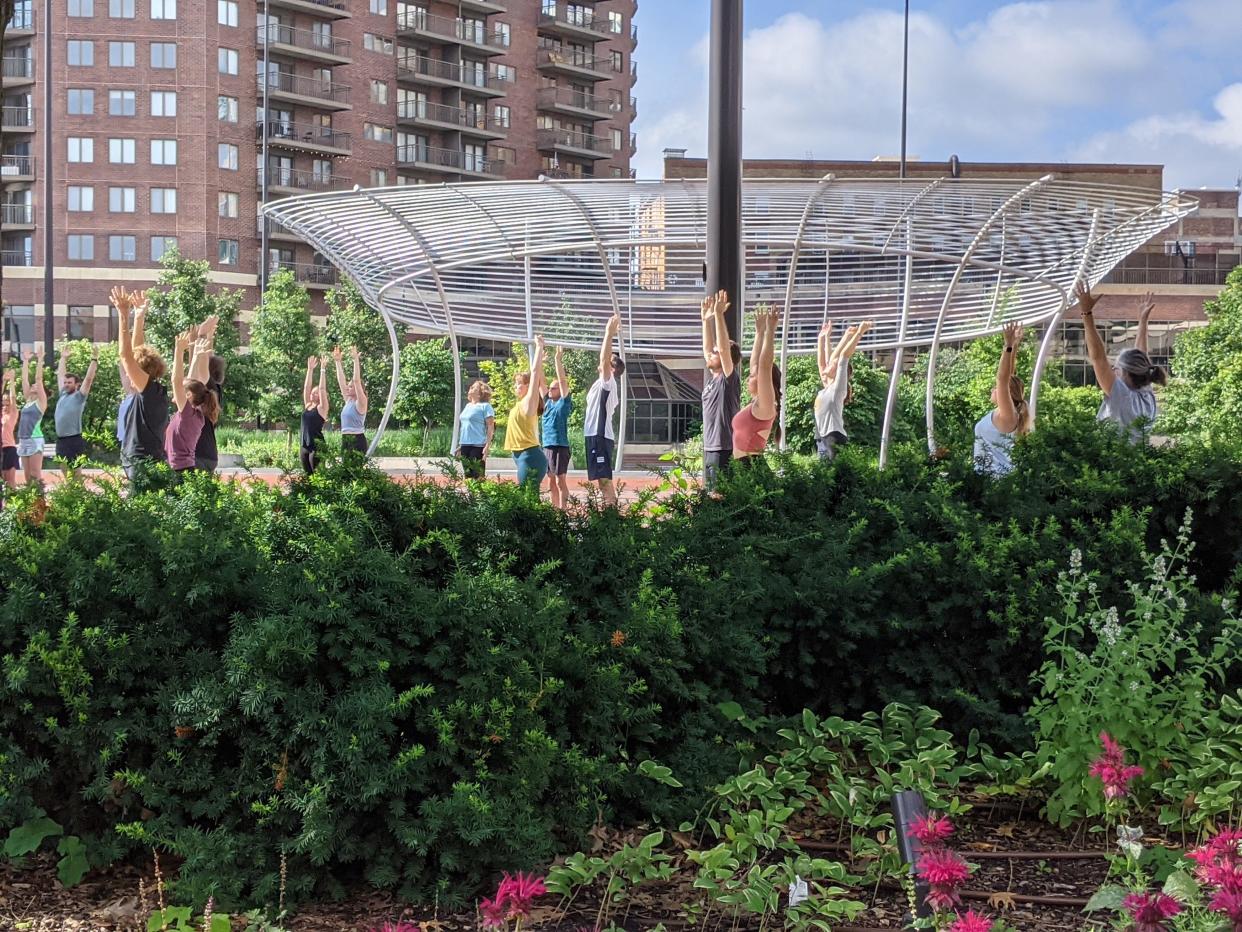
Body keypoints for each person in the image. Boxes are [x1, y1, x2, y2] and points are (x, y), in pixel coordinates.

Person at [1078, 284, 1166, 442]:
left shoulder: (1121, 395)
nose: (1112, 369)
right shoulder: (1146, 395)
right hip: (1136, 461)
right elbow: (1141, 356)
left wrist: (1087, 313)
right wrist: (1143, 322)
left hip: (1112, 463)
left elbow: (1098, 358)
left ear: (1126, 372)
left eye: (1116, 368)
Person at [114, 285, 170, 483]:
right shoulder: (155, 390)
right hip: (145, 459)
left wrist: (123, 314)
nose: (128, 374)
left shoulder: (149, 392)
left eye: (133, 372)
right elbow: (138, 352)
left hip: (141, 461)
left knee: (139, 511)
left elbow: (126, 356)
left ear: (141, 372)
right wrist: (139, 317)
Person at [973, 322, 1030, 477]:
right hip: (990, 481)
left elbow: (1003, 379)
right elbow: (1009, 374)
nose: (993, 389)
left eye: (996, 388)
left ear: (1007, 393)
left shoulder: (1008, 416)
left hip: (996, 483)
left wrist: (1008, 345)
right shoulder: (1009, 412)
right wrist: (1015, 345)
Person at [165, 326, 220, 476]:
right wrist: (195, 355)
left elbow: (176, 380)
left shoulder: (188, 414)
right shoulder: (192, 412)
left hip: (182, 471)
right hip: (182, 469)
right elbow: (192, 380)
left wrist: (179, 351)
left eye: (181, 391)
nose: (174, 393)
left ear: (188, 395)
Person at [700, 289, 741, 489]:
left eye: (716, 354)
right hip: (710, 448)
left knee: (718, 498)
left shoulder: (728, 379)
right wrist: (705, 321)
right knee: (710, 498)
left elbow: (722, 349)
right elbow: (709, 350)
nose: (711, 355)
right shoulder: (712, 380)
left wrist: (718, 315)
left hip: (722, 449)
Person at [814, 320, 872, 461]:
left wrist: (859, 333)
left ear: (839, 372)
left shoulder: (838, 388)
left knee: (835, 478)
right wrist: (823, 338)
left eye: (832, 365)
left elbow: (843, 357)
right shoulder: (827, 389)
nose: (828, 366)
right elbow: (822, 363)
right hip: (822, 439)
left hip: (834, 437)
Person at [583, 314, 625, 507]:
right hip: (595, 435)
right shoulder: (600, 384)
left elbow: (604, 357)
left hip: (599, 435)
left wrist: (609, 334)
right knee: (601, 480)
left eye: (609, 361)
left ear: (612, 368)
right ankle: (608, 514)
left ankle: (610, 517)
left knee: (604, 480)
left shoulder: (608, 383)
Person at [731, 306, 780, 461]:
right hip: (743, 467)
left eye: (752, 376)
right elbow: (756, 363)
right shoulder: (756, 404)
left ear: (764, 380)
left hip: (750, 468)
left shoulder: (765, 405)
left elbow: (764, 365)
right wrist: (759, 333)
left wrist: (770, 331)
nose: (747, 378)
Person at [504, 335, 548, 490]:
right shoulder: (519, 404)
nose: (516, 386)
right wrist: (540, 359)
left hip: (529, 455)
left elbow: (535, 373)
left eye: (519, 383)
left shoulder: (530, 401)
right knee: (527, 497)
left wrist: (539, 346)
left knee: (526, 497)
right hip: (520, 455)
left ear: (528, 386)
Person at [53, 340, 99, 476]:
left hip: (74, 439)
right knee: (66, 474)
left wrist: (94, 359)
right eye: (65, 382)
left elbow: (89, 379)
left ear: (77, 384)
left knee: (76, 475)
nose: (66, 384)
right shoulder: (62, 394)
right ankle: (69, 497)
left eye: (69, 382)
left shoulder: (79, 396)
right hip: (61, 440)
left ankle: (79, 496)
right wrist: (63, 358)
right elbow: (61, 375)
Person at [542, 345, 574, 508]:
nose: (550, 389)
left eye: (553, 388)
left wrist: (557, 359)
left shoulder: (563, 402)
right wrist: (540, 361)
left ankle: (562, 512)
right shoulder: (547, 403)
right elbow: (540, 382)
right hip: (547, 445)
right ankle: (554, 511)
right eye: (550, 387)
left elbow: (562, 381)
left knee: (561, 480)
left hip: (559, 446)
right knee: (550, 482)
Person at [192, 318, 224, 474]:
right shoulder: (215, 388)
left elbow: (203, 362)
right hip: (209, 453)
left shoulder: (207, 385)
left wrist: (202, 335)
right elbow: (207, 359)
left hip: (199, 453)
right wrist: (210, 337)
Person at [16, 348, 47, 487]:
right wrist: (25, 361)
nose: (33, 385)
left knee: (35, 475)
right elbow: (24, 379)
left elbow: (38, 379)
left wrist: (40, 359)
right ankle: (30, 507)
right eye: (32, 385)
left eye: (36, 386)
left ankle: (40, 506)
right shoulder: (28, 401)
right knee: (27, 478)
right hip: (23, 440)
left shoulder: (40, 402)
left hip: (35, 440)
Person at [333, 345, 368, 456]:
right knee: (345, 471)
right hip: (345, 439)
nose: (348, 388)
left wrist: (355, 360)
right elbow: (341, 381)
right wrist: (338, 362)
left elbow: (356, 381)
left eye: (350, 387)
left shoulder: (361, 402)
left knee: (354, 471)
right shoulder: (348, 401)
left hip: (357, 440)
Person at [456, 380, 495, 480]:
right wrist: (461, 445)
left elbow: (490, 426)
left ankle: (481, 496)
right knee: (468, 476)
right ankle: (470, 496)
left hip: (478, 446)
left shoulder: (485, 406)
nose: (470, 388)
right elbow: (465, 426)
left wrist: (487, 445)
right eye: (471, 387)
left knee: (477, 477)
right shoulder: (468, 406)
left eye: (474, 387)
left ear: (480, 393)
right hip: (465, 445)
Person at [300, 355, 330, 475]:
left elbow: (322, 389)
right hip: (304, 445)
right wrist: (310, 370)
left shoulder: (322, 408)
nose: (312, 394)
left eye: (315, 393)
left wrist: (322, 369)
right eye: (313, 393)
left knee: (318, 475)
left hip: (317, 446)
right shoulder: (308, 405)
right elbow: (306, 387)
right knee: (308, 477)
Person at [2, 371, 18, 489]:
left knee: (10, 481)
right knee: (3, 481)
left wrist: (11, 381)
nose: (5, 406)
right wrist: (3, 381)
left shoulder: (12, 414)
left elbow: (13, 398)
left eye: (7, 404)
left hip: (10, 449)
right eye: (3, 404)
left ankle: (13, 506)